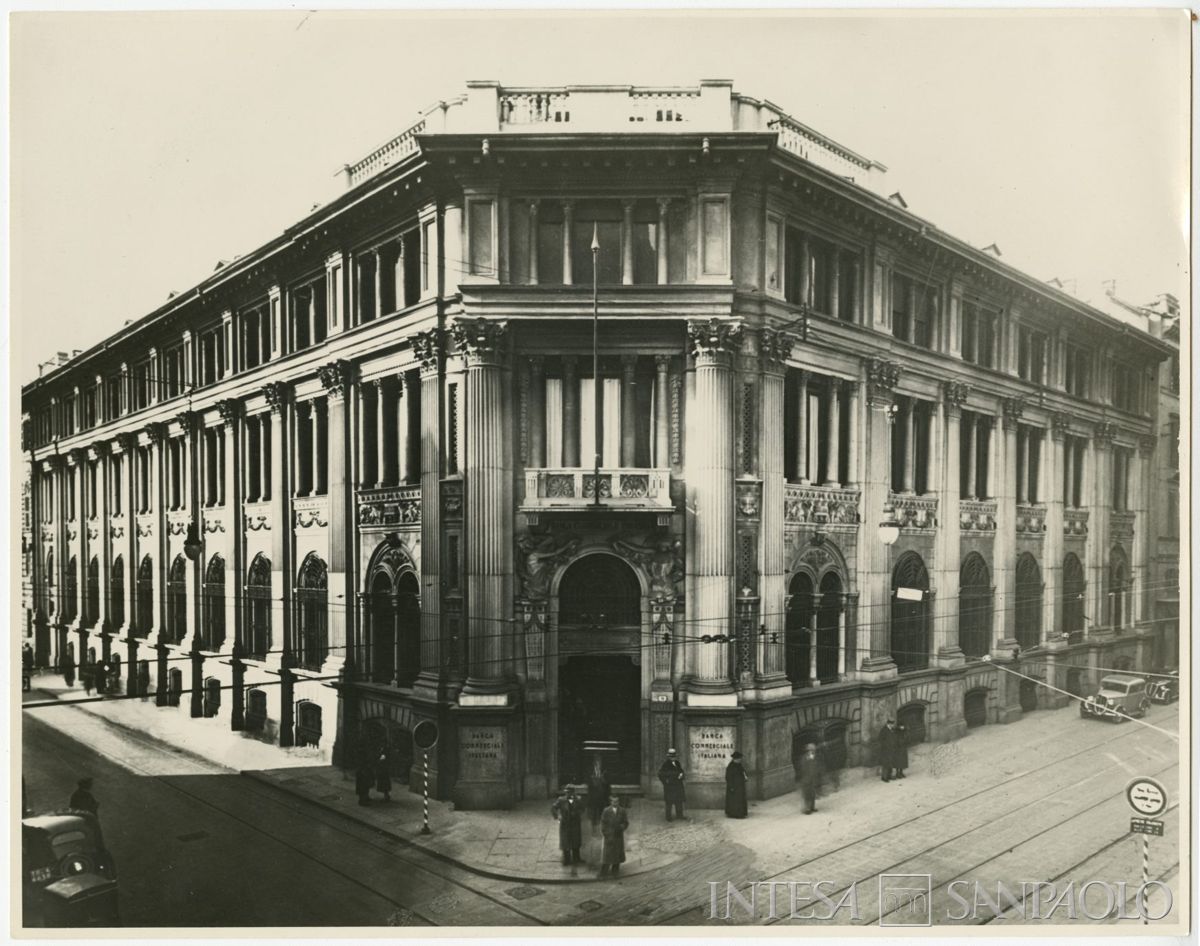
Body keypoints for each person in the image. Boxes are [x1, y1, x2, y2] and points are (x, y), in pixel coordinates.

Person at [551, 785, 584, 865]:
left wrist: (577, 813)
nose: (568, 794)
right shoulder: (561, 800)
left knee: (576, 840)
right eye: (567, 792)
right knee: (565, 841)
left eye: (570, 792)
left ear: (573, 792)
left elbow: (582, 808)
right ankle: (566, 859)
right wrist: (557, 816)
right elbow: (553, 807)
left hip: (575, 823)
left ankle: (577, 858)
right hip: (565, 823)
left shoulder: (578, 800)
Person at [599, 794, 628, 878]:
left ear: (618, 802)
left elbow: (625, 822)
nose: (615, 803)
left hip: (618, 835)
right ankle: (603, 872)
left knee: (617, 854)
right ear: (610, 802)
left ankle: (615, 871)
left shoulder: (622, 811)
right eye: (613, 801)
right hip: (609, 835)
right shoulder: (606, 811)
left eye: (617, 801)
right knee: (607, 855)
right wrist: (606, 833)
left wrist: (622, 826)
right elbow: (603, 823)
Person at [657, 748, 686, 822]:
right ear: (668, 757)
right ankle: (668, 817)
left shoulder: (677, 763)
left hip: (678, 785)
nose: (673, 757)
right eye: (671, 756)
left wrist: (681, 775)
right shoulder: (666, 764)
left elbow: (681, 771)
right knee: (669, 802)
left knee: (679, 801)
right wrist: (666, 782)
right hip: (670, 786)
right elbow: (660, 774)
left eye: (674, 756)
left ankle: (679, 815)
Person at [585, 759, 611, 834]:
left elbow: (608, 783)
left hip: (602, 796)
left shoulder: (605, 771)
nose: (598, 764)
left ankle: (603, 829)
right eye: (596, 763)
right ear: (594, 763)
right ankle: (593, 830)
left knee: (603, 813)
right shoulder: (590, 771)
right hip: (593, 796)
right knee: (593, 815)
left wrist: (603, 780)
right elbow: (587, 781)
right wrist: (592, 781)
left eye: (599, 762)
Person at [797, 743, 823, 814]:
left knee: (812, 794)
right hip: (806, 778)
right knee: (807, 794)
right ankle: (807, 809)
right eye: (812, 750)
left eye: (814, 750)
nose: (813, 751)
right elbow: (803, 768)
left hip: (813, 778)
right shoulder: (804, 757)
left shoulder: (813, 756)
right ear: (808, 750)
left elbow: (816, 765)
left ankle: (812, 807)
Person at [724, 751, 749, 818]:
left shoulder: (739, 765)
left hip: (740, 786)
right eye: (739, 759)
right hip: (734, 787)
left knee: (740, 800)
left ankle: (741, 813)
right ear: (735, 759)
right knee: (735, 800)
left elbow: (743, 772)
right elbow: (728, 777)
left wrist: (745, 776)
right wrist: (731, 787)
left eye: (740, 759)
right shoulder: (730, 767)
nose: (740, 760)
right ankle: (735, 814)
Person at [878, 718, 898, 782]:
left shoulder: (891, 730)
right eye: (892, 724)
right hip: (885, 750)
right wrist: (885, 745)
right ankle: (884, 777)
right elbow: (880, 739)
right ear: (888, 724)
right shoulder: (884, 730)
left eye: (893, 724)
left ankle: (889, 776)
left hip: (891, 749)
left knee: (890, 762)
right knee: (885, 763)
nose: (893, 725)